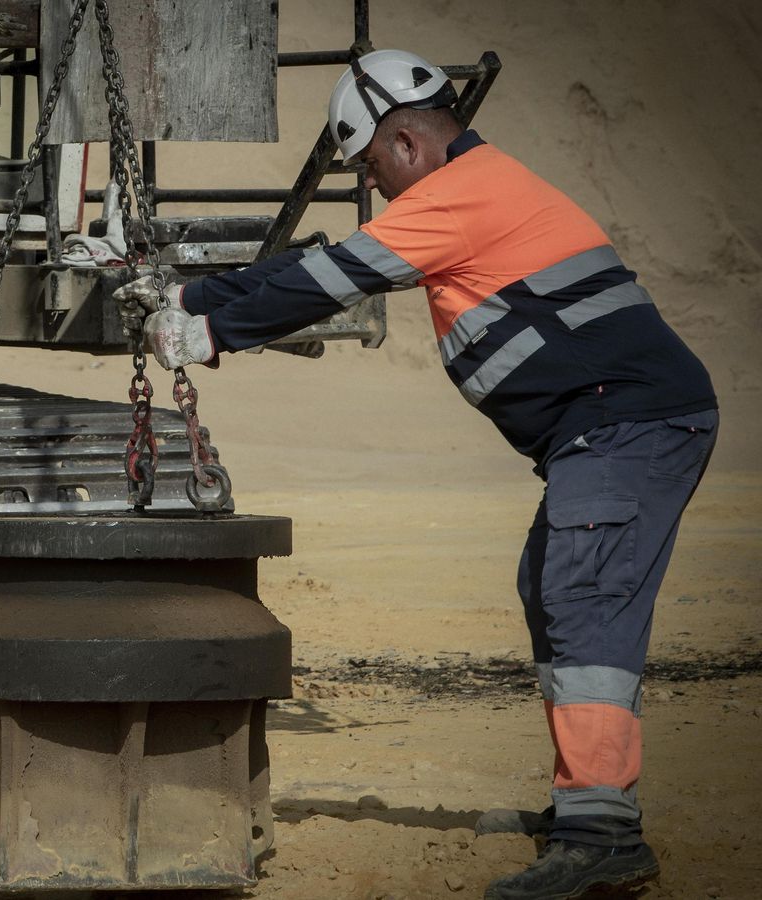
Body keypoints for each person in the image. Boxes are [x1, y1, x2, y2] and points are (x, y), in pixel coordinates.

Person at [116, 49, 718, 900]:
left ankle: (602, 833)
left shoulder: (459, 196)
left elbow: (331, 281)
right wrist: (193, 299)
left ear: (404, 141)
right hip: (615, 424)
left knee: (581, 599)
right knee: (555, 588)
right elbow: (310, 269)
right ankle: (590, 805)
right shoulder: (477, 186)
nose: (377, 186)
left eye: (370, 169)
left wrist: (210, 338)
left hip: (625, 422)